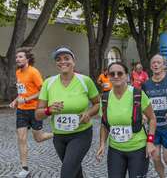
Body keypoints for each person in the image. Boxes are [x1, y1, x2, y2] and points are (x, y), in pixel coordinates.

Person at [35, 47, 100, 178]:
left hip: (81, 134)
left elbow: (98, 104)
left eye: (66, 58)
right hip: (59, 137)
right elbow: (37, 114)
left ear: (73, 61)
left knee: (67, 172)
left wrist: (88, 113)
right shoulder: (49, 83)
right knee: (75, 171)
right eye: (58, 59)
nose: (62, 62)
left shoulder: (85, 81)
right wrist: (49, 110)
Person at [96, 62, 156, 178]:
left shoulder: (137, 94)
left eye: (120, 73)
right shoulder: (105, 98)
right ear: (108, 77)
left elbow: (152, 119)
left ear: (127, 76)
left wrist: (150, 141)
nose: (116, 76)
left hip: (138, 149)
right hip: (115, 150)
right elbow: (104, 124)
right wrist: (102, 144)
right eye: (112, 74)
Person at [9, 47, 53, 178]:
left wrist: (26, 99)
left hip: (35, 110)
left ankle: (56, 133)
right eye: (17, 57)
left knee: (38, 138)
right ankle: (24, 169)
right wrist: (16, 101)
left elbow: (43, 91)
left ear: (27, 59)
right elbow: (22, 92)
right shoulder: (18, 73)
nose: (18, 59)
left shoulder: (34, 72)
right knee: (21, 139)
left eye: (20, 57)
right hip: (22, 111)